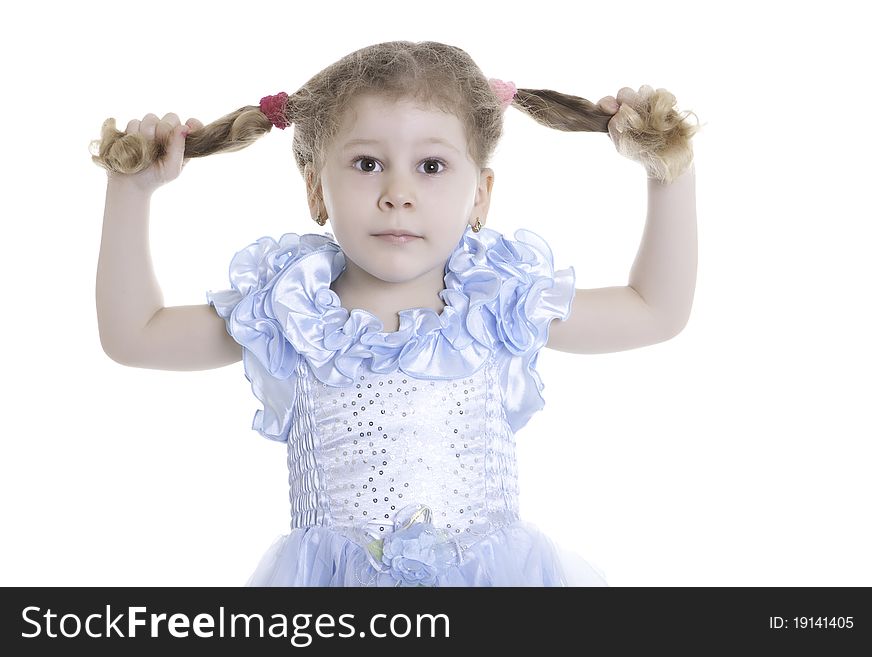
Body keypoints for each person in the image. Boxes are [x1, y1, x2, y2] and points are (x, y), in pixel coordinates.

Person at [91, 40, 701, 587]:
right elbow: (134, 335)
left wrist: (667, 171)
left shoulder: (499, 305)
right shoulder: (290, 314)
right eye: (366, 164)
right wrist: (132, 191)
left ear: (480, 194)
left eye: (431, 166)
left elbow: (655, 310)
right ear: (314, 189)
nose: (397, 192)